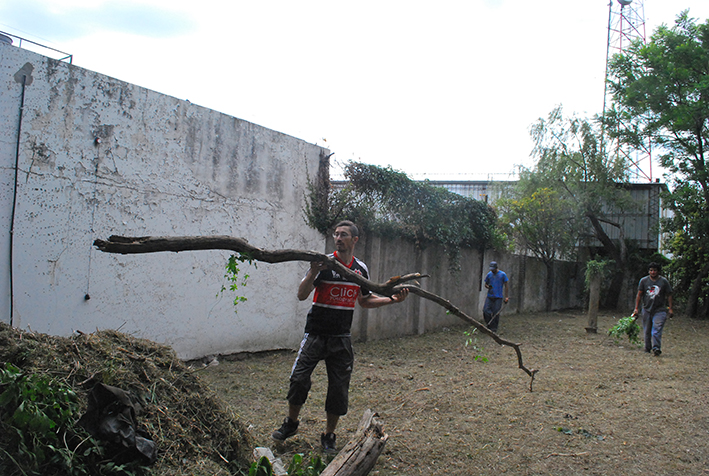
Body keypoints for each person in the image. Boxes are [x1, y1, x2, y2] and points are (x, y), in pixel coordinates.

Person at [271, 220, 409, 452]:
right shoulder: (323, 263)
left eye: (343, 235)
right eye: (336, 234)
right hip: (315, 333)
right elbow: (302, 295)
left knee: (338, 388)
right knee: (298, 379)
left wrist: (392, 299)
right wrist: (314, 270)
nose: (338, 238)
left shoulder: (360, 269)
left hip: (341, 337)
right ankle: (292, 423)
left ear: (354, 240)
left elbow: (364, 300)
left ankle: (329, 435)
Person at [632, 262, 673, 356]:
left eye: (654, 270)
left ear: (658, 271)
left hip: (660, 309)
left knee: (656, 329)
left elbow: (669, 295)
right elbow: (639, 295)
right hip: (646, 309)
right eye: (651, 270)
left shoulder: (663, 281)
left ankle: (656, 347)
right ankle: (647, 347)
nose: (653, 272)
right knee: (647, 330)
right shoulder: (644, 281)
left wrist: (670, 308)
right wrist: (636, 308)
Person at [483, 261, 509, 333]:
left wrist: (506, 296)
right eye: (491, 269)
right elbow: (486, 284)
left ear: (496, 268)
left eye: (493, 269)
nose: (492, 270)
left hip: (498, 297)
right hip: (490, 296)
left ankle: (494, 328)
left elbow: (506, 285)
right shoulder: (489, 274)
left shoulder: (502, 274)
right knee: (486, 311)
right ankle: (489, 324)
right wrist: (488, 287)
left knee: (496, 313)